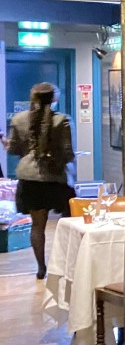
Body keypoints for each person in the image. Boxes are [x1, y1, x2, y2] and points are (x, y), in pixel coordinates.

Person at [5, 83, 75, 280]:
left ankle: (41, 268)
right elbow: (68, 153)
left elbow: (13, 150)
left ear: (33, 97)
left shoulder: (18, 119)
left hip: (29, 179)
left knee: (37, 226)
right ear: (54, 98)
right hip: (56, 179)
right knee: (71, 223)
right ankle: (65, 264)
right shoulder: (62, 120)